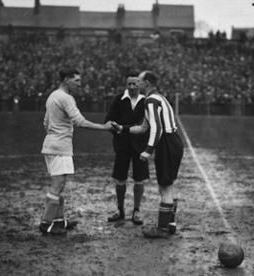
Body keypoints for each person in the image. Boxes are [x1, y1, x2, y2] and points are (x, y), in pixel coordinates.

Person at [39, 68, 113, 235]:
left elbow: (46, 122)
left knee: (59, 184)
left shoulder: (53, 96)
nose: (80, 84)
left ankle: (59, 220)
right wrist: (103, 127)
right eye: (77, 81)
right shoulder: (66, 98)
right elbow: (79, 121)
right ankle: (45, 224)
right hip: (60, 147)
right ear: (67, 80)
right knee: (57, 186)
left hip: (51, 145)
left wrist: (54, 135)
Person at [112, 71, 184, 239]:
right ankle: (170, 224)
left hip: (166, 142)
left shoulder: (151, 101)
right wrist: (124, 128)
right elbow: (144, 127)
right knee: (169, 185)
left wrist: (148, 151)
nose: (135, 84)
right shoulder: (158, 98)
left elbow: (157, 128)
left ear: (146, 84)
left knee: (164, 187)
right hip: (173, 142)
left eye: (138, 81)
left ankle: (162, 229)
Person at [105, 70, 149, 225]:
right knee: (120, 178)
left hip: (140, 146)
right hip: (122, 145)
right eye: (129, 84)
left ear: (140, 84)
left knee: (139, 179)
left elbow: (151, 124)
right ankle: (120, 209)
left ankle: (136, 211)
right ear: (126, 84)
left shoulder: (146, 100)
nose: (132, 86)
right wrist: (118, 136)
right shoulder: (119, 99)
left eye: (135, 83)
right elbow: (109, 121)